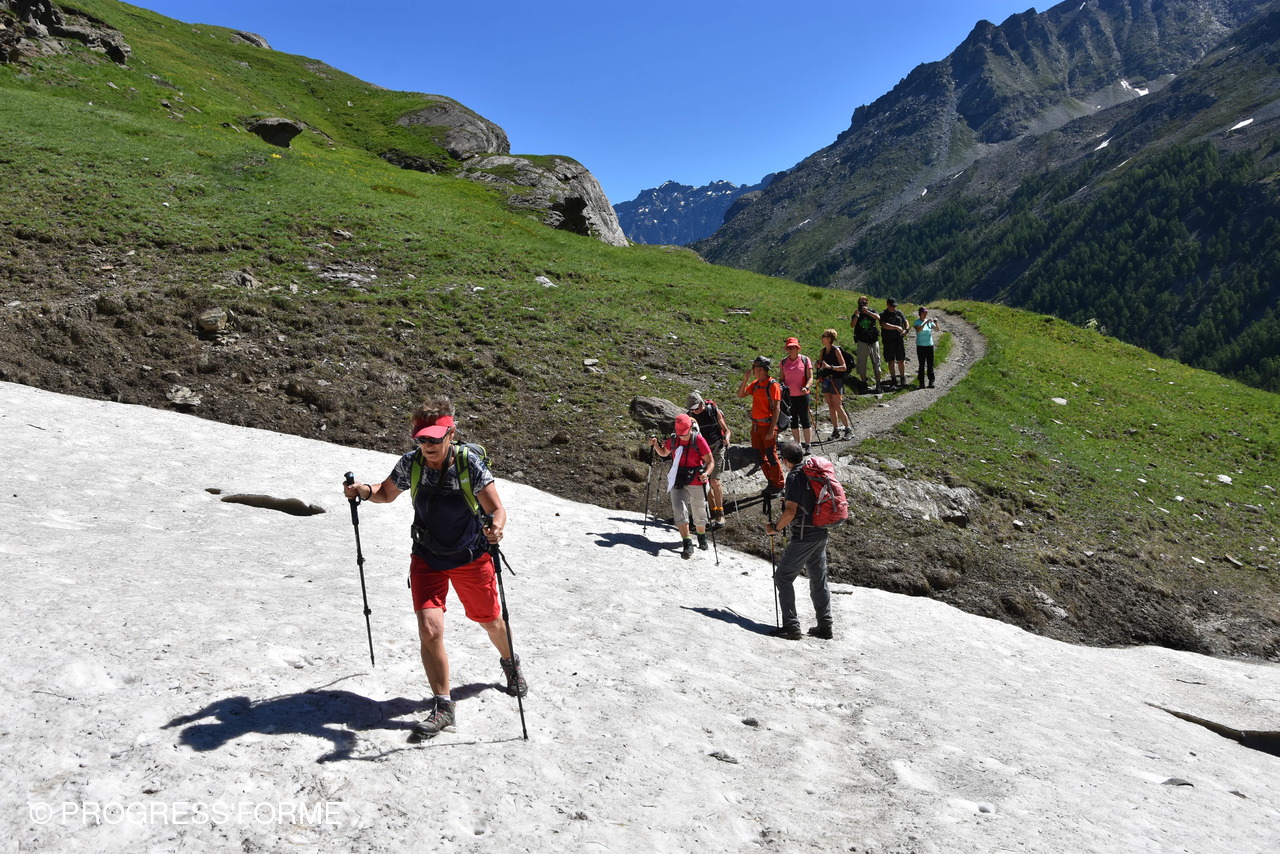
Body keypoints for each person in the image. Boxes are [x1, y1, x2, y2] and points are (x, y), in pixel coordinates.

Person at [342, 395, 527, 742]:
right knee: (429, 629)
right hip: (427, 556)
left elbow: (496, 509)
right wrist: (364, 490)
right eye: (421, 438)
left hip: (470, 557)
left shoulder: (469, 465)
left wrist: (497, 528)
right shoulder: (411, 463)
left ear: (451, 434)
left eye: (434, 438)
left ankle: (510, 661)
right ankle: (444, 706)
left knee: (491, 621)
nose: (427, 445)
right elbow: (386, 492)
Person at [764, 442, 833, 640]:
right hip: (820, 532)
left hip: (804, 536)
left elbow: (790, 512)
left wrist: (776, 528)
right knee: (818, 579)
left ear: (785, 460)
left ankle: (791, 627)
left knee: (783, 577)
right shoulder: (811, 472)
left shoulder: (794, 477)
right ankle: (825, 625)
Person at [648, 413, 715, 559]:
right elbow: (664, 453)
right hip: (678, 479)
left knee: (699, 510)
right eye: (680, 434)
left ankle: (701, 535)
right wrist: (656, 445)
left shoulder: (698, 440)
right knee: (679, 509)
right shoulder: (673, 440)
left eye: (684, 434)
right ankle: (687, 542)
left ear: (690, 428)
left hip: (697, 480)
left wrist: (706, 473)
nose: (682, 437)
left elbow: (710, 461)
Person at [736, 355, 785, 496]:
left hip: (767, 426)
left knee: (771, 455)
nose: (753, 370)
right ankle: (771, 481)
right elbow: (740, 394)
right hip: (756, 426)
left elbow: (776, 409)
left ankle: (779, 484)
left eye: (755, 367)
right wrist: (745, 380)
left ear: (762, 369)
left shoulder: (773, 385)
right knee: (759, 455)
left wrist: (771, 430)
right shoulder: (756, 384)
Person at [687, 391, 730, 529]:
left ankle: (720, 513)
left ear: (701, 403)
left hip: (717, 448)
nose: (695, 411)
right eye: (692, 409)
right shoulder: (690, 416)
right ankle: (713, 512)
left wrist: (727, 438)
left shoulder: (713, 410)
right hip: (702, 453)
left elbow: (726, 430)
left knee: (714, 481)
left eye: (696, 408)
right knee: (705, 482)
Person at [816, 329, 853, 441]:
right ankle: (835, 430)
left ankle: (848, 429)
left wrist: (830, 367)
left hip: (836, 380)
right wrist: (818, 365)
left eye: (824, 336)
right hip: (826, 380)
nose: (822, 337)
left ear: (829, 339)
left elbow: (844, 367)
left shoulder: (836, 350)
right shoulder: (823, 351)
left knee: (837, 405)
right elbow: (821, 365)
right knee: (831, 405)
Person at [779, 337, 814, 452]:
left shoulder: (805, 360)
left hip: (803, 395)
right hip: (789, 397)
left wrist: (806, 387)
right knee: (793, 420)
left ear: (797, 348)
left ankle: (808, 445)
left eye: (793, 347)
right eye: (789, 348)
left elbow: (810, 377)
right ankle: (797, 445)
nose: (791, 350)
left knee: (805, 419)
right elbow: (782, 379)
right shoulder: (783, 362)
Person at [849, 295, 883, 393]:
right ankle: (864, 382)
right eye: (861, 302)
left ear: (867, 303)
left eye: (864, 302)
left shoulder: (871, 311)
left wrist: (868, 312)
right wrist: (856, 316)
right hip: (862, 340)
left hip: (873, 340)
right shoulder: (856, 313)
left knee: (876, 361)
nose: (863, 304)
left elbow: (878, 318)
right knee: (861, 362)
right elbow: (852, 325)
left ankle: (878, 382)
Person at [879, 298, 910, 390]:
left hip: (899, 339)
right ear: (887, 305)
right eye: (892, 306)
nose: (893, 308)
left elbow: (905, 321)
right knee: (891, 360)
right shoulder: (883, 314)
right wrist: (896, 327)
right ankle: (893, 379)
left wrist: (906, 329)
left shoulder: (899, 313)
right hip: (888, 340)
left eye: (895, 306)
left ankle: (902, 378)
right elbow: (884, 325)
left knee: (901, 359)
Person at [913, 306, 940, 388]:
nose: (925, 314)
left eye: (926, 313)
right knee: (921, 364)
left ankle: (931, 381)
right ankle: (921, 382)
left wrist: (936, 323)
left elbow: (937, 330)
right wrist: (925, 323)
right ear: (920, 313)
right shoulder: (917, 322)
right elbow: (918, 330)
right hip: (920, 346)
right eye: (924, 313)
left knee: (930, 364)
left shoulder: (929, 322)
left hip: (929, 345)